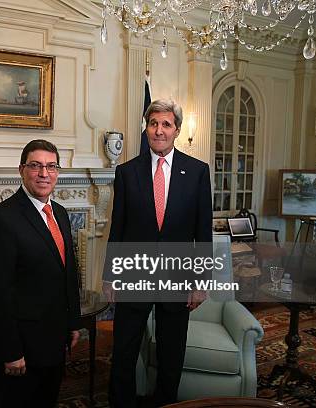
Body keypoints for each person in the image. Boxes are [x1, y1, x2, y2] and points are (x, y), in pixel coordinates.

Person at [105, 99, 213, 407]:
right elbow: (118, 229)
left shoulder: (197, 172)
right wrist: (110, 276)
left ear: (177, 130)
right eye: (153, 124)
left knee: (171, 352)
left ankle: (166, 403)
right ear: (146, 128)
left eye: (166, 124)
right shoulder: (126, 172)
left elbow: (202, 232)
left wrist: (200, 281)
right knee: (124, 350)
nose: (159, 130)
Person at [0, 139, 81, 408]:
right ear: (21, 170)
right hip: (21, 348)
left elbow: (68, 271)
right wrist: (10, 351)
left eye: (50, 166)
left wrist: (73, 322)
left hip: (53, 339)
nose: (44, 173)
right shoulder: (3, 219)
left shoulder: (59, 213)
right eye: (35, 166)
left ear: (58, 171)